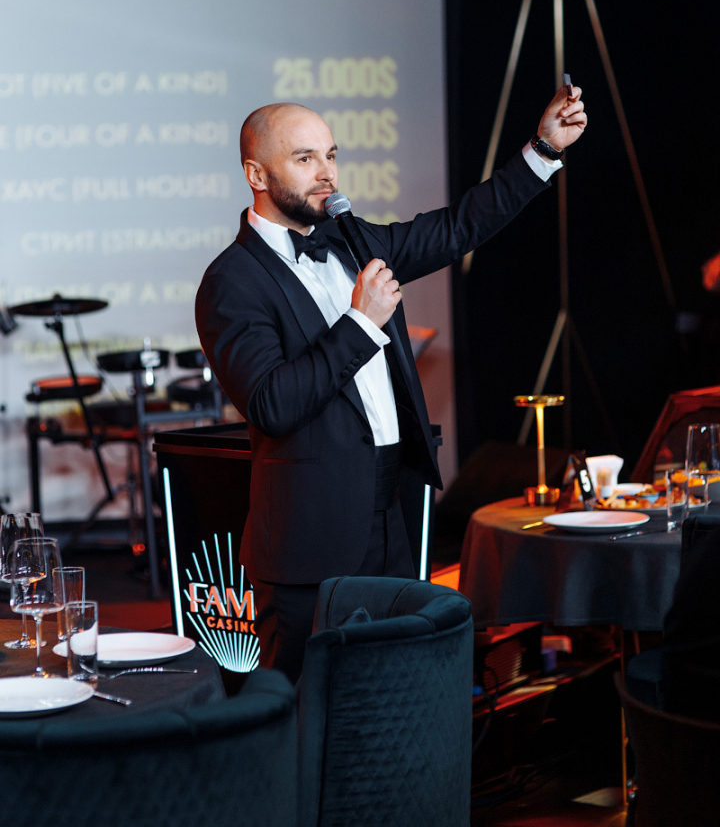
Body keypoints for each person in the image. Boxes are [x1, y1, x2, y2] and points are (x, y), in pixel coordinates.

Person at [196, 87, 587, 682]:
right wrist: (360, 322)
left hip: (391, 516)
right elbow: (272, 404)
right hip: (311, 541)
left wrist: (542, 150)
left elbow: (459, 227)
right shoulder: (231, 281)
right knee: (308, 710)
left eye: (331, 155)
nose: (326, 173)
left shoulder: (357, 241)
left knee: (392, 697)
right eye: (305, 159)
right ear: (255, 172)